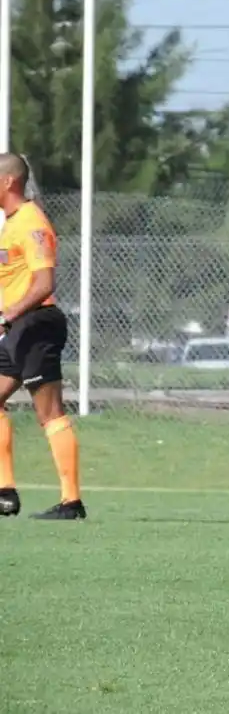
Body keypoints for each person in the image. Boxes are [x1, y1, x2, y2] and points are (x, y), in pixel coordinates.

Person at [0, 153, 85, 520]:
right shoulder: (12, 223)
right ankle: (4, 493)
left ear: (8, 182)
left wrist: (7, 314)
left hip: (36, 325)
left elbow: (44, 282)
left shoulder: (31, 222)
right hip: (19, 328)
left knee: (49, 413)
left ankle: (71, 502)